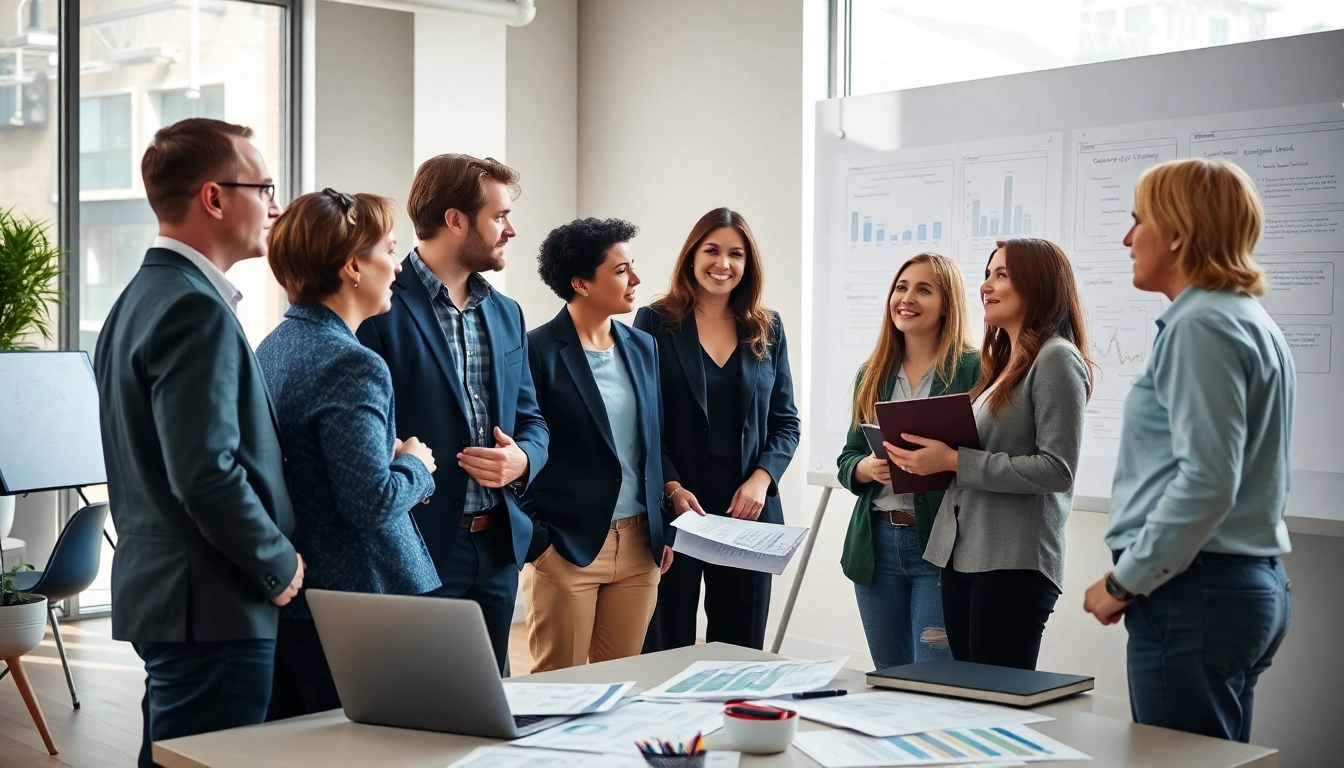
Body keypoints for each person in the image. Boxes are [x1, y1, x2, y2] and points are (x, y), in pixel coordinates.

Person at [93, 118, 303, 767]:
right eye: (264, 189)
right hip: (213, 603)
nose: (275, 208)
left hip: (175, 599)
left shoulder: (138, 298)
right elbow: (205, 471)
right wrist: (276, 561)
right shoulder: (194, 308)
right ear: (214, 197)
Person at [1083, 158, 1293, 742]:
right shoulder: (1248, 319)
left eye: (1138, 221)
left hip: (1194, 593)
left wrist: (1125, 581)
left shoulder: (1200, 325)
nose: (1127, 239)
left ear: (1177, 233)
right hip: (1239, 585)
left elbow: (1206, 482)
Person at [356, 154, 548, 672]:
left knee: (491, 695)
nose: (511, 230)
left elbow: (532, 420)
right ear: (455, 220)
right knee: (424, 698)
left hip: (499, 546)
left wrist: (523, 460)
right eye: (499, 217)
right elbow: (364, 433)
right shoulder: (378, 305)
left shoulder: (507, 313)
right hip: (417, 544)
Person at [256, 189, 441, 718]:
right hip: (363, 601)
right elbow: (371, 502)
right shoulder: (352, 363)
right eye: (390, 250)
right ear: (353, 266)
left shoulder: (273, 347)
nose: (399, 266)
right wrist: (416, 464)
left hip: (303, 602)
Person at [895, 237, 1094, 670]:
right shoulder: (1004, 365)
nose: (985, 286)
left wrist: (953, 461)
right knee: (969, 695)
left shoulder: (1056, 359)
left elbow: (1057, 470)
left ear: (1037, 284)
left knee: (995, 697)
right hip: (965, 557)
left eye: (1001, 275)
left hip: (1013, 562)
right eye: (987, 274)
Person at [637, 207, 801, 652]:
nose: (722, 263)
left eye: (736, 254)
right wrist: (671, 486)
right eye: (712, 250)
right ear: (692, 255)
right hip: (678, 504)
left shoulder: (768, 327)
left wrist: (761, 480)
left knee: (740, 650)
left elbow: (786, 422)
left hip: (747, 508)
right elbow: (643, 421)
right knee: (665, 645)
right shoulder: (655, 322)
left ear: (748, 263)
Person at [523, 218, 675, 672]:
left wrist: (662, 520)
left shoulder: (643, 346)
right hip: (566, 550)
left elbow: (652, 441)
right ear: (581, 283)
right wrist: (540, 545)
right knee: (559, 689)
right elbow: (522, 446)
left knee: (622, 684)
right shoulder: (535, 351)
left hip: (640, 548)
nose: (636, 280)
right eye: (622, 270)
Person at [836, 253, 980, 671]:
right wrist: (864, 468)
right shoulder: (873, 372)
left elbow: (985, 455)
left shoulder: (974, 369)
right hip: (877, 545)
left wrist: (946, 460)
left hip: (940, 546)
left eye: (923, 289)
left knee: (932, 678)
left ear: (947, 303)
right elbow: (848, 457)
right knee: (890, 676)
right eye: (901, 287)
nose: (907, 298)